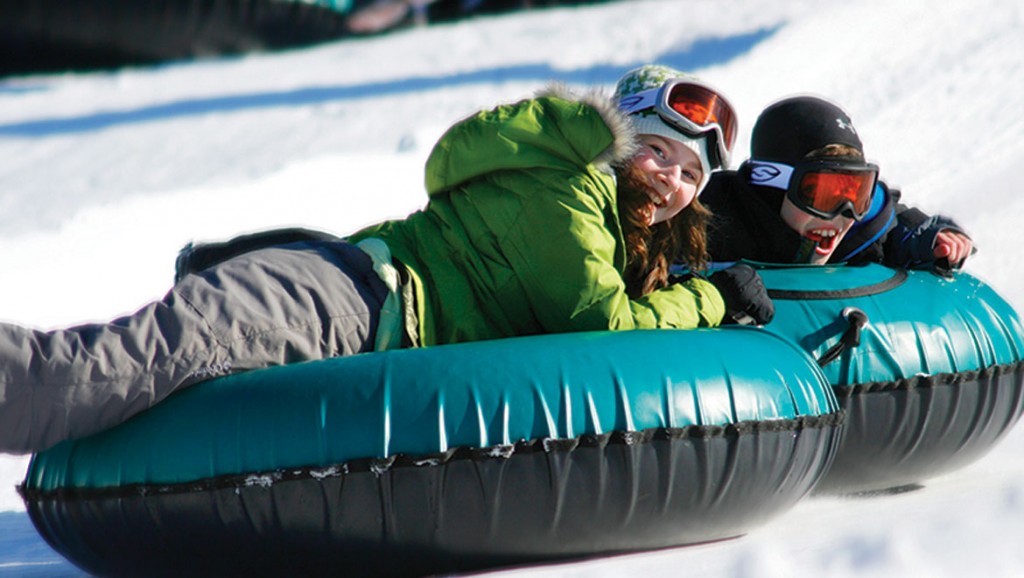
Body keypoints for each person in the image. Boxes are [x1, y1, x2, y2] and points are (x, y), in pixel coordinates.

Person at [0, 64, 773, 455]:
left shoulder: (619, 230)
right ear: (619, 140)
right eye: (660, 152)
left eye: (690, 174)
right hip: (341, 300)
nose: (671, 178)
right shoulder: (565, 186)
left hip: (361, 324)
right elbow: (599, 326)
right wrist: (709, 302)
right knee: (106, 368)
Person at [700, 95, 973, 270]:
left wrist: (926, 239)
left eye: (856, 193)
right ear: (772, 185)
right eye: (824, 194)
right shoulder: (708, 227)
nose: (843, 214)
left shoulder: (864, 226)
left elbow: (890, 223)